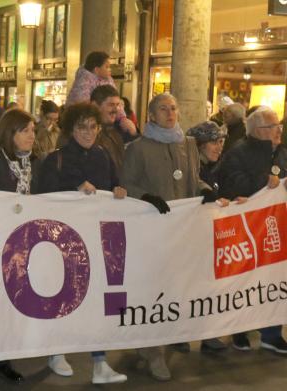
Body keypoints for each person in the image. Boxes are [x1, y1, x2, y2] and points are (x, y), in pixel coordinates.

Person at [123, 93, 221, 381]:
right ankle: (153, 351)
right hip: (152, 230)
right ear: (151, 115)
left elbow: (192, 177)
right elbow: (126, 183)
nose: (170, 113)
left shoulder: (188, 145)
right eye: (163, 109)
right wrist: (146, 196)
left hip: (183, 231)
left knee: (177, 289)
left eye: (174, 108)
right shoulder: (137, 148)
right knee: (155, 291)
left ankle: (160, 340)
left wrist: (203, 189)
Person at [36, 103, 128, 385]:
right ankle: (56, 351)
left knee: (97, 298)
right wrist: (73, 191)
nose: (88, 132)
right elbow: (43, 198)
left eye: (93, 127)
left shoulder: (103, 155)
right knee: (64, 297)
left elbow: (116, 183)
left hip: (98, 238)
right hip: (65, 242)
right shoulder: (57, 159)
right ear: (70, 129)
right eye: (81, 127)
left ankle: (100, 363)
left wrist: (119, 190)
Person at [217, 107, 287, 355]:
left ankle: (272, 333)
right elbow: (231, 184)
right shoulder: (237, 152)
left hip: (273, 229)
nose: (279, 130)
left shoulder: (281, 153)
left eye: (279, 125)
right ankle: (240, 330)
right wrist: (263, 181)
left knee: (273, 280)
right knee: (244, 281)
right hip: (244, 228)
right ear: (259, 131)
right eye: (274, 126)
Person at [0, 108, 39, 197]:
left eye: (33, 130)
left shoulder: (34, 159)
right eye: (25, 131)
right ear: (10, 133)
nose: (32, 136)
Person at [91, 85, 137, 175]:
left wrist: (134, 134)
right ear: (95, 105)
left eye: (118, 105)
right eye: (111, 105)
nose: (116, 110)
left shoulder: (116, 131)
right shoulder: (84, 133)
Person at [186, 121, 226, 191]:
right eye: (214, 143)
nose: (220, 148)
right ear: (200, 145)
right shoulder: (194, 171)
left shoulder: (214, 166)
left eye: (220, 142)